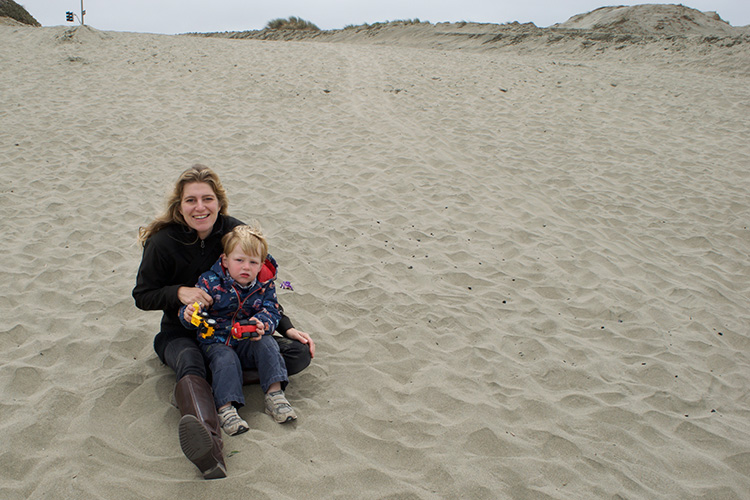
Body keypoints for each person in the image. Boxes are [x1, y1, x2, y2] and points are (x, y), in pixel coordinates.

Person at [133, 164, 315, 479]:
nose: (200, 207)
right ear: (180, 205)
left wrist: (286, 327)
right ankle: (209, 447)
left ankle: (215, 381)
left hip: (234, 335)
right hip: (181, 333)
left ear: (220, 202)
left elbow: (261, 288)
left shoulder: (235, 235)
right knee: (191, 362)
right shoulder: (162, 242)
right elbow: (143, 296)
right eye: (191, 200)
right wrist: (180, 293)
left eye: (207, 199)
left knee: (298, 353)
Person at [178, 224, 297, 438]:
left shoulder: (264, 285)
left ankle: (275, 395)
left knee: (267, 342)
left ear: (261, 265)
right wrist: (188, 314)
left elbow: (272, 309)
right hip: (216, 340)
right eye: (239, 260)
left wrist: (263, 323)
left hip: (246, 338)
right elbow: (193, 309)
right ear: (225, 260)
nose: (246, 267)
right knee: (225, 358)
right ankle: (226, 408)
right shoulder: (210, 281)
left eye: (253, 262)